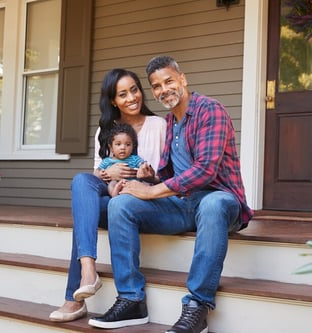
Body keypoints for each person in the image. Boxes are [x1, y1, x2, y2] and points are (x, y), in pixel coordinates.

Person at [88, 56, 254, 333]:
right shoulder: (170, 122)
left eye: (168, 81)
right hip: (183, 204)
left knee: (213, 203)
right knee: (122, 205)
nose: (164, 89)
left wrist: (152, 191)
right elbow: (170, 177)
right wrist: (146, 177)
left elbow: (205, 171)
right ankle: (131, 299)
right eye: (156, 86)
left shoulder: (209, 110)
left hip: (221, 201)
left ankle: (197, 307)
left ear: (183, 79)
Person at [49, 68, 166, 322]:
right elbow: (95, 176)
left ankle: (73, 300)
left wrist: (147, 176)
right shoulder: (105, 131)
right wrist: (108, 171)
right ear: (113, 100)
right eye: (122, 94)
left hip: (142, 200)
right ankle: (88, 270)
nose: (131, 98)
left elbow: (167, 175)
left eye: (134, 90)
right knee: (82, 182)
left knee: (83, 218)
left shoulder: (158, 125)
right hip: (113, 195)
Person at [97, 123, 145, 197]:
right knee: (111, 184)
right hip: (115, 183)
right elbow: (97, 171)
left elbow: (142, 164)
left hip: (131, 183)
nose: (123, 147)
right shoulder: (107, 161)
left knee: (139, 183)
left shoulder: (135, 159)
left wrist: (143, 167)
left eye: (128, 144)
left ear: (133, 147)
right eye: (118, 144)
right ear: (111, 148)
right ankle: (114, 194)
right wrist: (101, 173)